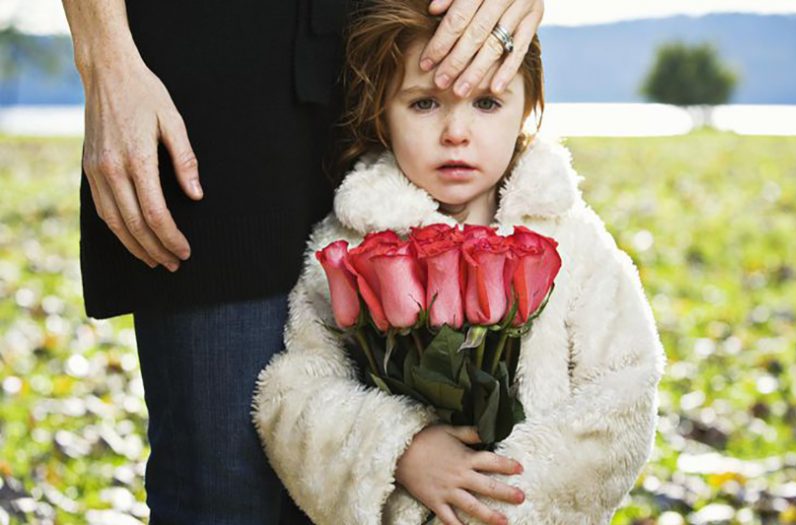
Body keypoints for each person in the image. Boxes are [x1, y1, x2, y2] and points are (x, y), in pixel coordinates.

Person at [60, 0, 545, 523]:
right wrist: (105, 57)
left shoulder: (522, 196)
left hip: (417, 39)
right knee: (224, 493)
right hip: (209, 81)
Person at [250, 0, 667, 524]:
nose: (455, 133)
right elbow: (293, 394)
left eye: (487, 103)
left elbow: (623, 389)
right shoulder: (348, 245)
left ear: (528, 107)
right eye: (424, 104)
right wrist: (400, 450)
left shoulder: (571, 237)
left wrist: (500, 497)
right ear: (382, 111)